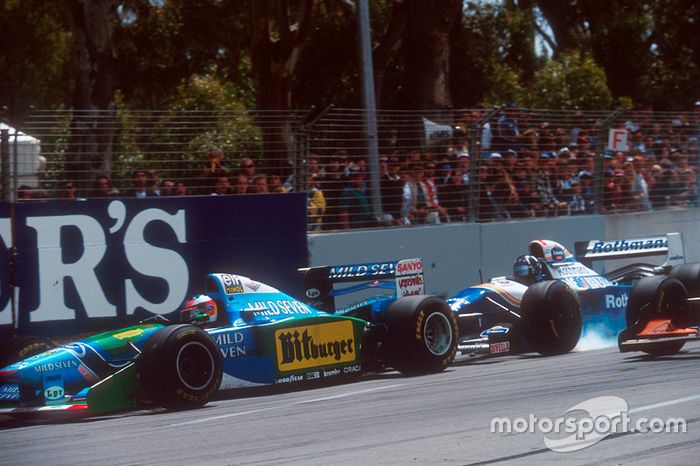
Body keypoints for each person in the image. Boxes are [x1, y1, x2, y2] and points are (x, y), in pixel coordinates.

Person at [339, 165, 373, 229]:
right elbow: (344, 212)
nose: (357, 178)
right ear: (350, 178)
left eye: (359, 176)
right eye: (354, 176)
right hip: (355, 229)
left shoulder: (361, 191)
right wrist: (347, 230)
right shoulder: (348, 192)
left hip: (365, 227)